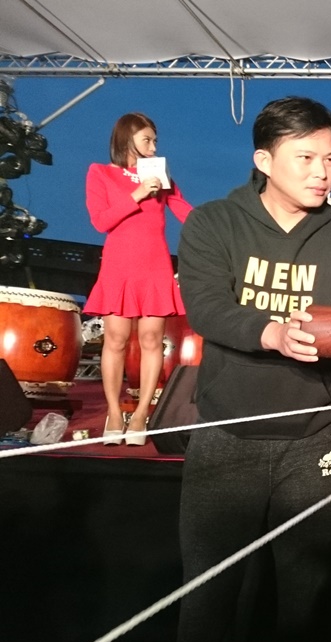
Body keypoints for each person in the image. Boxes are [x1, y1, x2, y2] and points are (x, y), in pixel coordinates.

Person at [174, 96, 331, 642]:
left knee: (309, 600)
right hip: (227, 436)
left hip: (318, 440)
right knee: (209, 597)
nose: (323, 172)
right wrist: (269, 332)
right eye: (307, 156)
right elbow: (207, 308)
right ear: (264, 160)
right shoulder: (213, 221)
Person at [83, 112, 192, 446]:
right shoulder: (99, 173)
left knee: (151, 340)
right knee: (115, 339)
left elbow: (184, 210)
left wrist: (222, 225)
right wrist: (137, 194)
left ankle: (142, 413)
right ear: (126, 139)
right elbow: (101, 221)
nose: (153, 146)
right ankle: (114, 414)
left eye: (155, 140)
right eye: (147, 139)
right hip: (119, 266)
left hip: (155, 264)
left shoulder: (160, 175)